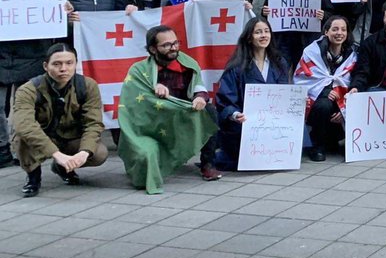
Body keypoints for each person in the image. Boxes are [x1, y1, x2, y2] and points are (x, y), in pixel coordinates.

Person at [117, 25, 220, 192]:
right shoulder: (139, 70)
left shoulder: (188, 64)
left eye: (175, 43)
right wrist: (153, 88)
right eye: (166, 45)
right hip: (153, 120)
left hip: (180, 116)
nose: (173, 48)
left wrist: (200, 97)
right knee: (145, 153)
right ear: (152, 49)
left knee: (210, 111)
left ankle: (208, 163)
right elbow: (133, 100)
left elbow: (198, 85)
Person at [0, 0, 69, 168]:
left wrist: (63, 7)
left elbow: (54, 16)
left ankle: (29, 147)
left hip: (31, 54)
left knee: (26, 105)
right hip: (3, 54)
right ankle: (2, 149)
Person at [11, 44, 107, 197]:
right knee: (22, 138)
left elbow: (93, 123)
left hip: (70, 136)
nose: (64, 68)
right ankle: (33, 175)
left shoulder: (87, 86)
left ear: (76, 64)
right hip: (43, 136)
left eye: (69, 63)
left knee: (99, 153)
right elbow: (25, 125)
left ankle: (63, 168)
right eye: (57, 64)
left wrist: (84, 152)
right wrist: (56, 153)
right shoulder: (28, 89)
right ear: (45, 66)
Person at [214, 18, 291, 170]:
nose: (264, 36)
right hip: (245, 121)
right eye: (258, 32)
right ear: (249, 38)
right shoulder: (236, 67)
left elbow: (284, 94)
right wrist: (235, 115)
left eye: (266, 31)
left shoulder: (279, 62)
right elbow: (225, 101)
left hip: (273, 121)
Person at [295, 14, 358, 162]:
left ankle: (343, 143)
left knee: (354, 105)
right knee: (324, 105)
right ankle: (317, 146)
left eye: (343, 30)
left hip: (344, 98)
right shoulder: (311, 52)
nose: (339, 33)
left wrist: (344, 104)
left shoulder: (354, 54)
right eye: (335, 29)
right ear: (326, 32)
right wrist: (326, 91)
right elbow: (302, 80)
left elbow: (355, 79)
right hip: (318, 102)